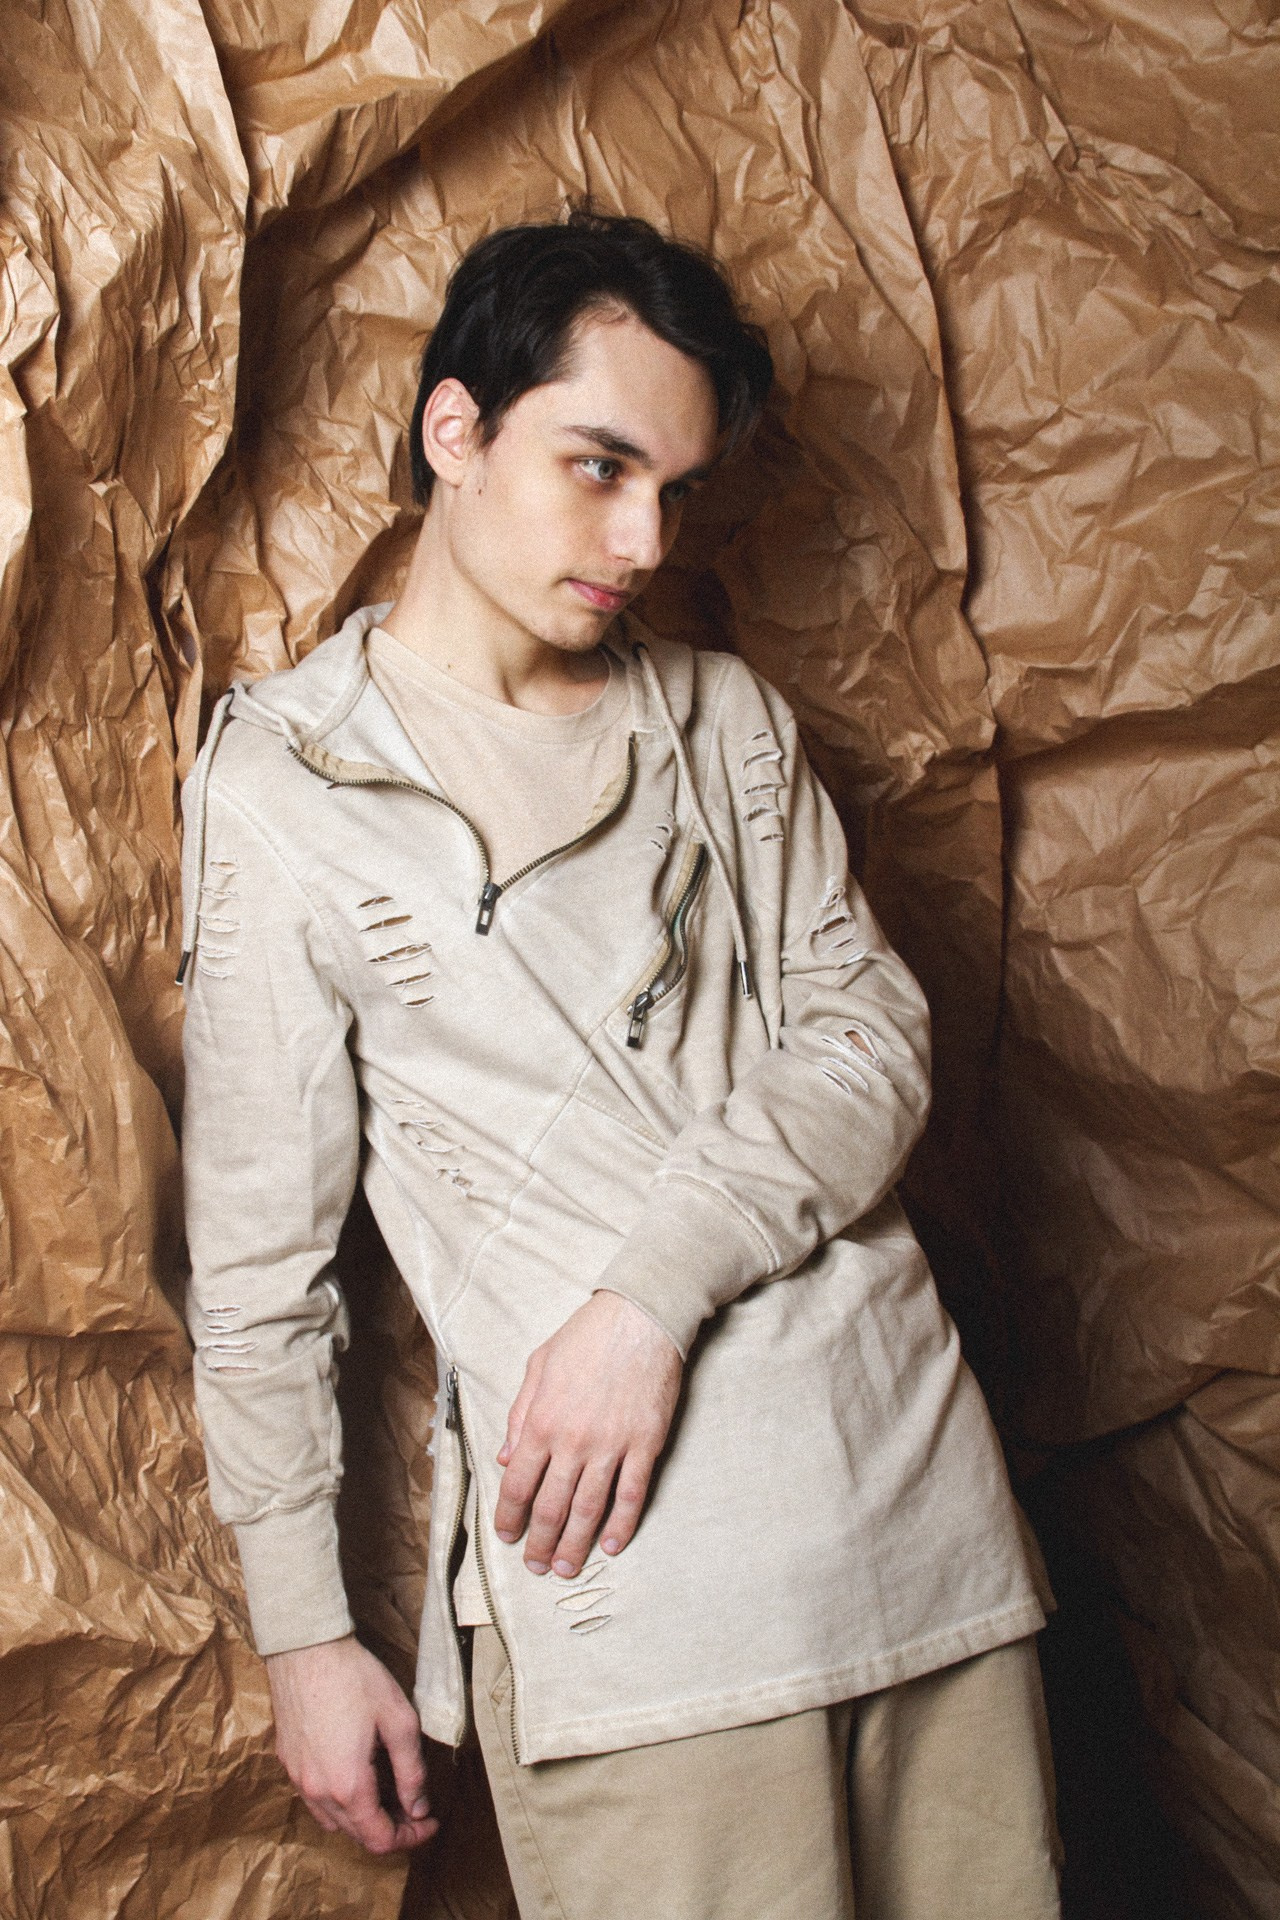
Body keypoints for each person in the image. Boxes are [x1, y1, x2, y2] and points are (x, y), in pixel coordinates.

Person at [179, 209, 1060, 1918]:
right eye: (599, 466)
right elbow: (259, 1269)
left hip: (922, 1537)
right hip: (641, 1612)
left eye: (675, 487)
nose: (645, 539)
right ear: (455, 429)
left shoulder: (727, 725)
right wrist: (303, 1637)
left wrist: (648, 1300)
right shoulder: (284, 788)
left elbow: (874, 1035)